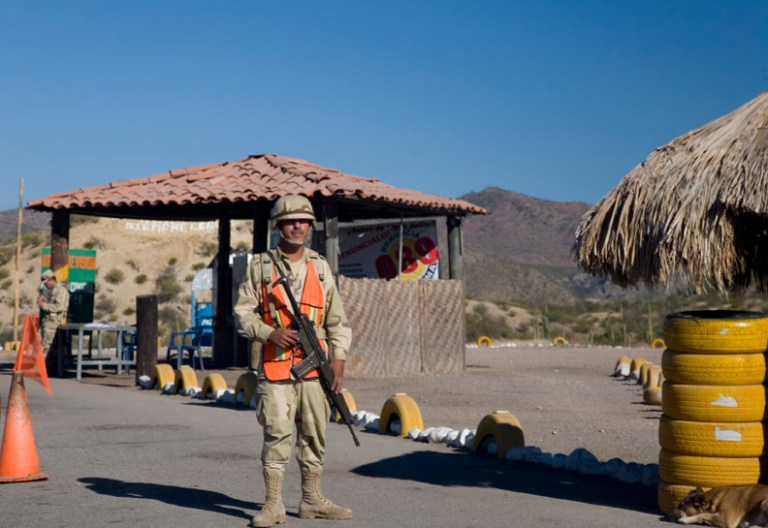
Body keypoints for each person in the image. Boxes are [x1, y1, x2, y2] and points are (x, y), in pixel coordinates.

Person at [234, 195, 353, 528]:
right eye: (290, 221)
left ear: (310, 226)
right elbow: (243, 314)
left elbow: (336, 319)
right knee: (277, 435)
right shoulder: (261, 266)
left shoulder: (320, 267)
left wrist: (338, 360)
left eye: (303, 221)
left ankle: (312, 500)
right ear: (279, 226)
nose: (297, 226)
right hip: (276, 368)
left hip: (316, 368)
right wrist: (269, 333)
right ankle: (273, 505)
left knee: (314, 434)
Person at [38, 268, 70, 358]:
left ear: (52, 280)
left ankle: (45, 366)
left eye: (46, 283)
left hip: (54, 323)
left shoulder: (61, 290)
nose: (45, 285)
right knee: (39, 344)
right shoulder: (51, 291)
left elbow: (60, 307)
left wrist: (44, 305)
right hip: (47, 322)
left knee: (46, 348)